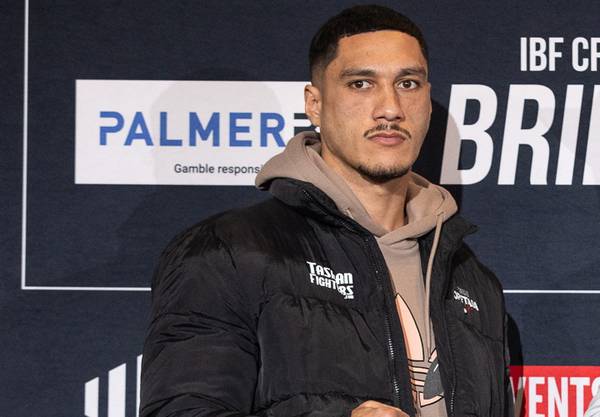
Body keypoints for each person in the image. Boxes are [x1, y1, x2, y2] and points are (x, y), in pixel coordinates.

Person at [140, 5, 514, 417]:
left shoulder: (473, 282)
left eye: (408, 83)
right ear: (314, 104)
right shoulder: (228, 252)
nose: (390, 108)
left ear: (427, 101)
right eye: (361, 84)